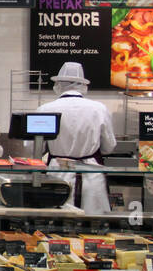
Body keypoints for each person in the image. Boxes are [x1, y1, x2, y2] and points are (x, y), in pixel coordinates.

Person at [39, 62, 116, 215]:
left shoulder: (45, 109)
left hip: (58, 174)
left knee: (56, 222)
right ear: (83, 85)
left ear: (58, 85)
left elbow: (34, 148)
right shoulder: (99, 109)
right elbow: (109, 147)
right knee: (92, 225)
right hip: (91, 175)